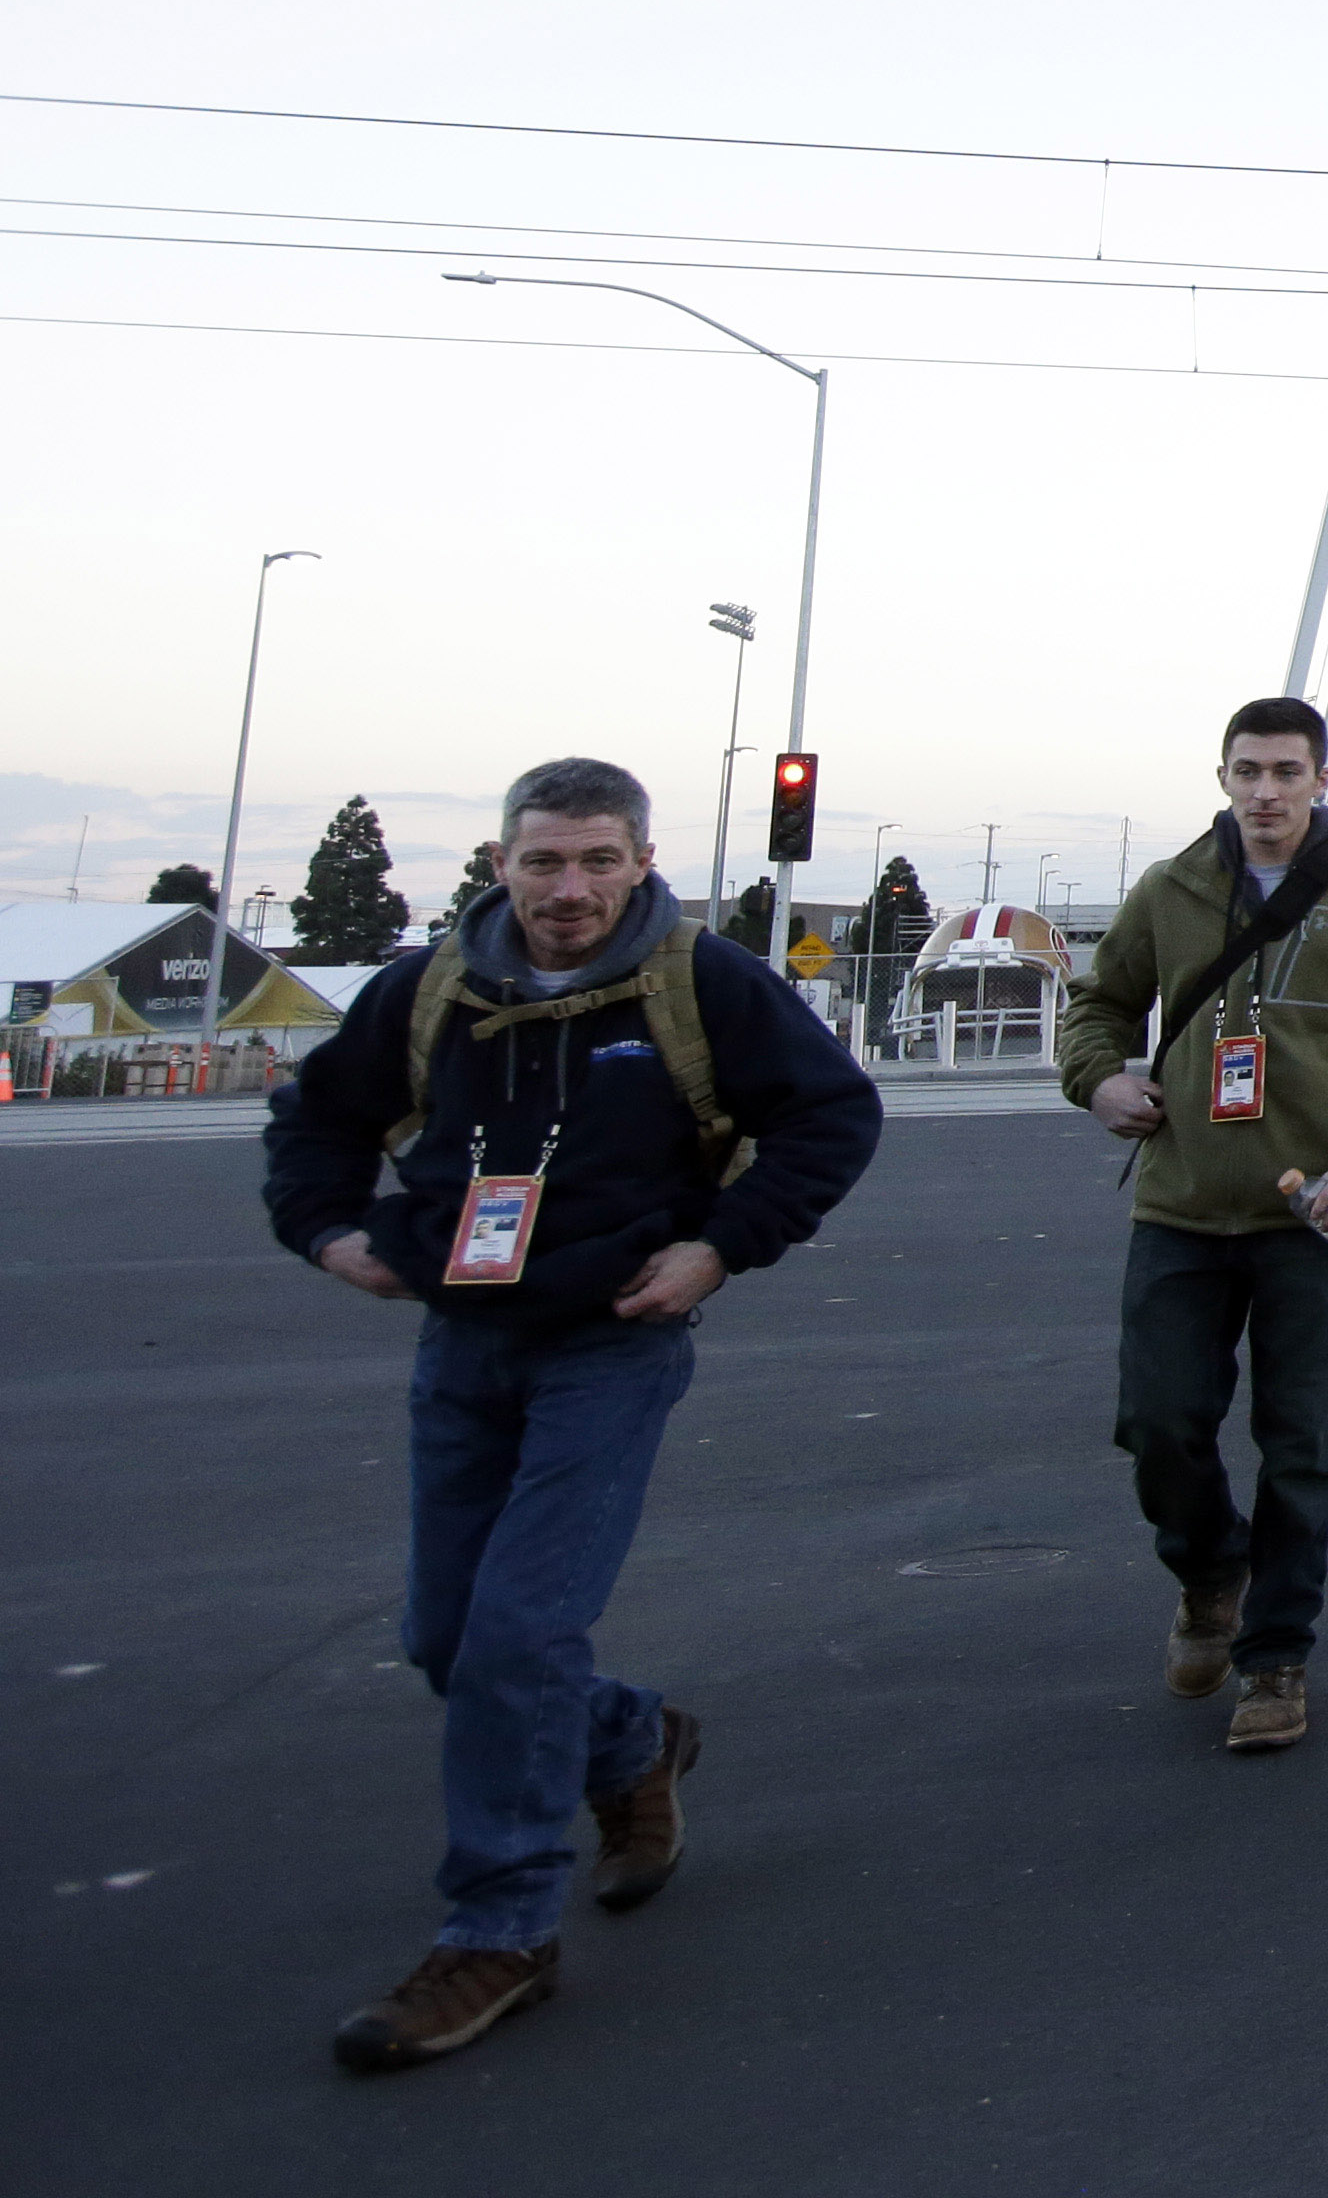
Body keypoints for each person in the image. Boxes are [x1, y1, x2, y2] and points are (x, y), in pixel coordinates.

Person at [261, 756, 883, 2072]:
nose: (571, 888)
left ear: (641, 865)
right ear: (499, 865)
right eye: (545, 861)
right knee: (447, 1637)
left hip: (614, 1341)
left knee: (522, 1626)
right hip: (464, 1339)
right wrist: (328, 1232)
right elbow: (315, 1122)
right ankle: (633, 1740)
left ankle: (498, 1931)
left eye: (599, 861)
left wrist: (723, 1245)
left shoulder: (700, 984)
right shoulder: (424, 991)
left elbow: (831, 1115)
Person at [1056, 698, 1328, 1756]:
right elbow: (1096, 1006)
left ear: (1322, 779)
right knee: (1158, 1419)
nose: (1266, 792)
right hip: (1182, 1207)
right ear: (1224, 776)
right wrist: (1098, 1082)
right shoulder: (1173, 888)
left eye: (1287, 771)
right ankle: (1208, 1570)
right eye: (1248, 771)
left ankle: (1276, 1655)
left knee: (1303, 1441)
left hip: (1309, 1217)